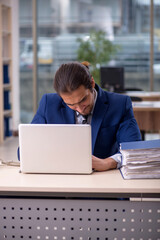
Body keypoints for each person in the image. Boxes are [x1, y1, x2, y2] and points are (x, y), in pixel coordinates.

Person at [31, 61, 141, 171]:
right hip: (59, 176)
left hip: (104, 178)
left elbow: (134, 151)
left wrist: (108, 163)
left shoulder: (120, 104)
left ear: (92, 83)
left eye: (83, 100)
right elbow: (24, 151)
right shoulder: (48, 103)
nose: (79, 109)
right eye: (70, 104)